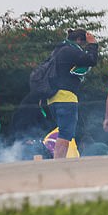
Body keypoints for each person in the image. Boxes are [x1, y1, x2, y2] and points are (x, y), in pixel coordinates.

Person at [45, 28, 99, 159]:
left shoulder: (57, 51)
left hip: (52, 98)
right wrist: (93, 45)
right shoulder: (69, 50)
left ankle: (58, 160)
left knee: (63, 131)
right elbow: (91, 60)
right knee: (66, 133)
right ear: (79, 40)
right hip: (65, 97)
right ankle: (59, 162)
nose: (83, 47)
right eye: (83, 44)